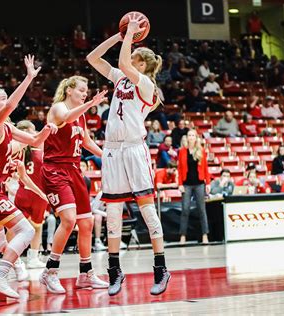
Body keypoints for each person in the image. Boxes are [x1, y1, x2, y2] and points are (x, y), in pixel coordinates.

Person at [87, 13, 170, 296]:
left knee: (147, 210)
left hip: (134, 149)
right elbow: (93, 58)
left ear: (143, 65)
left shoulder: (147, 86)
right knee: (112, 213)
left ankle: (161, 268)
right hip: (112, 150)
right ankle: (115, 271)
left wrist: (131, 35)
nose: (131, 59)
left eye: (136, 57)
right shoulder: (121, 78)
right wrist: (120, 36)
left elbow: (123, 62)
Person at [0, 55, 57, 298]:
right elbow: (11, 107)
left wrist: (48, 128)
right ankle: (0, 275)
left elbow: (35, 141)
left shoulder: (7, 128)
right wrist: (28, 78)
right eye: (2, 99)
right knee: (25, 231)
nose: (6, 101)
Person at [37, 75, 108, 295]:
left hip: (75, 170)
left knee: (86, 224)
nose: (84, 94)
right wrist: (91, 104)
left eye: (86, 92)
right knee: (68, 220)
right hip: (55, 170)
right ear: (69, 90)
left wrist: (106, 155)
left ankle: (85, 274)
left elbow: (86, 142)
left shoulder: (82, 117)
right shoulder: (58, 108)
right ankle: (50, 272)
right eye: (81, 91)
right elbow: (67, 117)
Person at [12, 120, 49, 269]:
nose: (36, 133)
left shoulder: (17, 150)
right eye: (34, 130)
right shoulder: (39, 149)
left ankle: (17, 257)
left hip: (24, 192)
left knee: (15, 227)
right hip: (37, 194)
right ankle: (31, 257)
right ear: (27, 131)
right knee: (35, 227)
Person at [177, 131, 210, 245]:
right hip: (186, 184)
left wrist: (208, 183)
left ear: (196, 138)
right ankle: (182, 236)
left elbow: (206, 168)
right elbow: (180, 169)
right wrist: (180, 184)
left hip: (199, 183)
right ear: (187, 138)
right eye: (189, 135)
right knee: (185, 210)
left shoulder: (201, 151)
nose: (191, 137)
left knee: (202, 210)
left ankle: (205, 235)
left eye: (193, 136)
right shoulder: (182, 151)